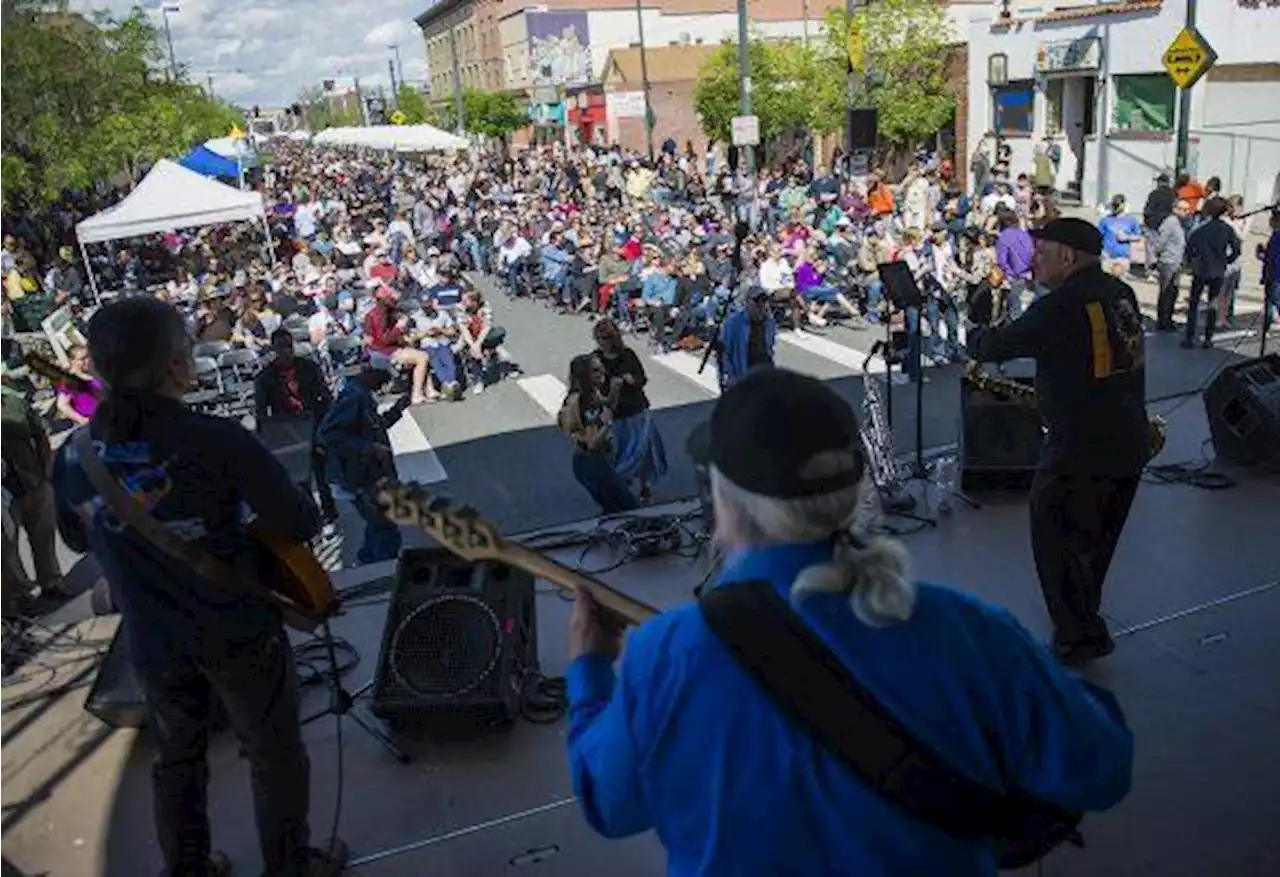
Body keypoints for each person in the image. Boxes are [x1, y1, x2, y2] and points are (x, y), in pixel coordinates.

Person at [564, 367, 1133, 874]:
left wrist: (590, 670)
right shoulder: (972, 629)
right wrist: (1050, 693)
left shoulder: (663, 654)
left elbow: (608, 804)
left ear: (727, 504)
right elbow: (1099, 769)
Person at [50, 297, 347, 877]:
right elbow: (301, 521)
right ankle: (290, 866)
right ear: (173, 367)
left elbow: (78, 539)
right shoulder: (215, 440)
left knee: (177, 757)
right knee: (272, 753)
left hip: (152, 639)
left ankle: (186, 868)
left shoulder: (75, 455)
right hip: (238, 629)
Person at [975, 218, 1149, 666]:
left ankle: (1077, 638)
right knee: (1095, 541)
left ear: (1068, 256)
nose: (1034, 260)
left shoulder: (1061, 305)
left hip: (1080, 443)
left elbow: (996, 346)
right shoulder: (1120, 293)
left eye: (1042, 251)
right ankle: (1086, 624)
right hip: (1129, 436)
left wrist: (975, 327)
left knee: (1054, 536)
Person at [316, 352, 405, 566]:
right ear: (371, 372)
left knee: (379, 524)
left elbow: (371, 428)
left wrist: (397, 411)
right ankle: (381, 570)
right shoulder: (354, 397)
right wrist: (369, 448)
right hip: (357, 475)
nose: (384, 384)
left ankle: (366, 562)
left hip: (366, 474)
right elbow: (328, 434)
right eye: (383, 377)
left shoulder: (363, 395)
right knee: (385, 527)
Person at [255, 328, 339, 529]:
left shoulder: (308, 367)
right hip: (286, 429)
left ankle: (330, 513)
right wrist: (266, 439)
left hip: (313, 423)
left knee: (321, 472)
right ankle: (310, 515)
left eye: (289, 346)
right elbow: (261, 411)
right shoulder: (265, 377)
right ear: (274, 348)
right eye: (281, 347)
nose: (286, 351)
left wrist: (328, 422)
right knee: (300, 477)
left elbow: (324, 395)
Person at [592, 318, 667, 503]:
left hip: (636, 410)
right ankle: (621, 489)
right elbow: (591, 384)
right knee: (619, 455)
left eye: (606, 337)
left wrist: (630, 380)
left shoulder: (627, 355)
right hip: (614, 414)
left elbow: (642, 378)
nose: (603, 342)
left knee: (643, 451)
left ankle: (645, 486)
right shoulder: (595, 358)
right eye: (599, 338)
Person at [557, 354, 637, 515]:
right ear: (584, 375)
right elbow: (592, 442)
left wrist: (614, 392)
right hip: (594, 463)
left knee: (613, 509)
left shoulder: (581, 395)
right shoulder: (587, 401)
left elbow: (605, 408)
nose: (603, 372)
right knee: (629, 508)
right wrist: (608, 424)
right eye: (595, 371)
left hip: (587, 463)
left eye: (601, 368)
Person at [1182, 196, 1241, 349]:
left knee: (1194, 303)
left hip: (1201, 268)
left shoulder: (1200, 228)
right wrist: (1227, 260)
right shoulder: (1227, 229)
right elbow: (1236, 248)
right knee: (1213, 303)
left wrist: (1190, 262)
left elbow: (1189, 249)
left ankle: (1189, 337)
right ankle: (1208, 338)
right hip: (1218, 269)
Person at [363, 284, 429, 405]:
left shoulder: (385, 311)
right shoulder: (378, 314)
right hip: (383, 352)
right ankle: (417, 394)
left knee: (420, 350)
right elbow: (383, 340)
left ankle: (429, 390)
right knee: (422, 357)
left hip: (388, 348)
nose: (393, 300)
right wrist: (399, 328)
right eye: (389, 298)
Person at [718, 286, 776, 388]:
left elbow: (769, 348)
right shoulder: (734, 322)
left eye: (764, 300)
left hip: (764, 370)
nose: (761, 305)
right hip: (743, 371)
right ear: (747, 302)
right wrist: (729, 375)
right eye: (756, 301)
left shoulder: (770, 322)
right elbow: (726, 352)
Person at [55, 344, 103, 426]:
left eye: (88, 356)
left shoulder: (92, 370)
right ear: (72, 361)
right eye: (82, 359)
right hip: (94, 421)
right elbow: (62, 404)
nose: (87, 361)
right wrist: (82, 419)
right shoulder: (69, 380)